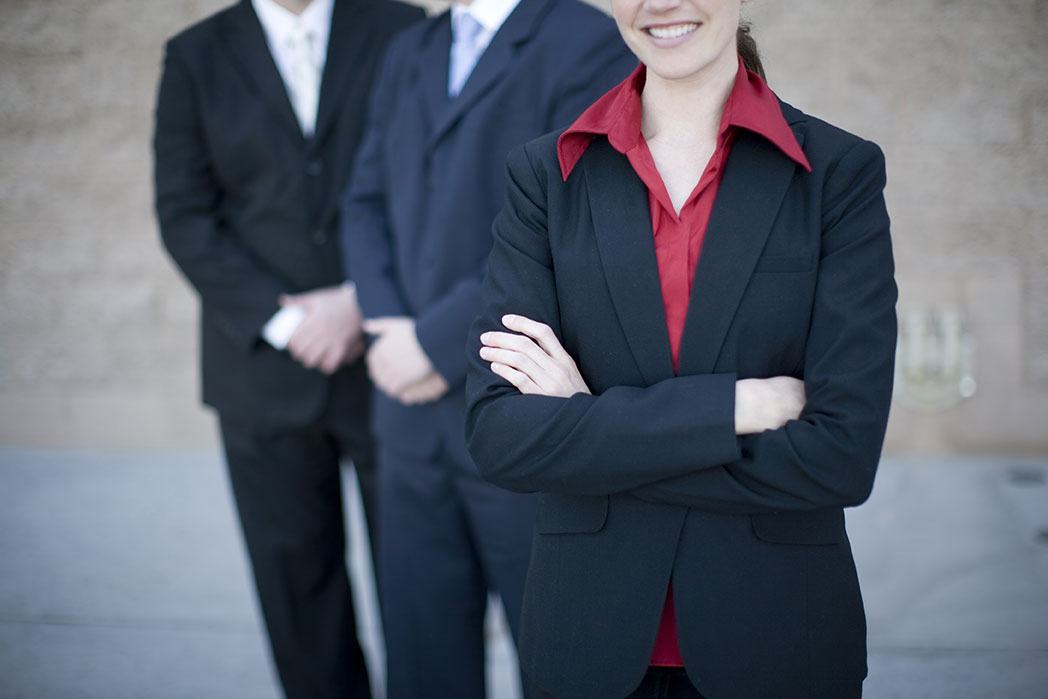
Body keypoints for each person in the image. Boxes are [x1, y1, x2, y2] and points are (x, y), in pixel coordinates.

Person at [465, 0, 898, 697]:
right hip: (586, 644)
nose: (661, 3)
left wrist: (588, 421)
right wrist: (731, 407)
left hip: (780, 641)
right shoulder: (547, 177)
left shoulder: (837, 176)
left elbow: (840, 458)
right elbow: (500, 435)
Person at [337, 0, 636, 696]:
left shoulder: (590, 40)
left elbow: (566, 222)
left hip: (519, 407)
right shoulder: (410, 49)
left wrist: (435, 344)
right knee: (420, 660)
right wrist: (387, 325)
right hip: (406, 417)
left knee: (557, 658)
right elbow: (363, 199)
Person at [152, 0, 422, 696]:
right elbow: (184, 213)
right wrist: (289, 324)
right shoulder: (195, 55)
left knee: (420, 583)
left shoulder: (402, 28)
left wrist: (360, 299)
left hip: (394, 364)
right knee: (298, 597)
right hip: (262, 372)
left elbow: (428, 180)